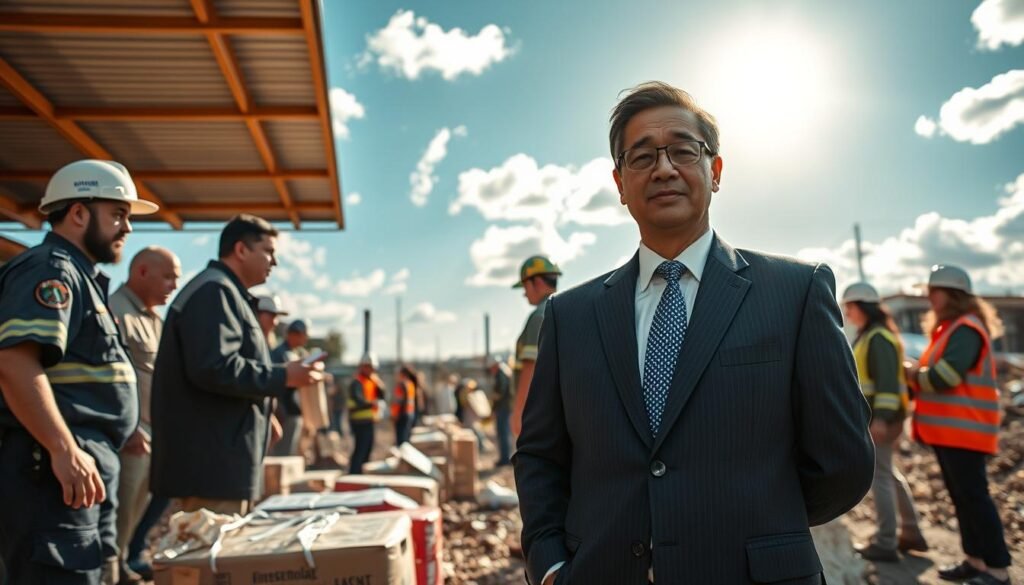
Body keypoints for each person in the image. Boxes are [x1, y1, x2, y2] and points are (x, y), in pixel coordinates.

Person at [514, 82, 874, 584]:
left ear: (715, 170)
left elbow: (843, 460)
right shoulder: (569, 316)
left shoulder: (795, 293)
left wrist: (763, 524)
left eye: (683, 151)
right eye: (642, 157)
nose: (663, 168)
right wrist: (551, 564)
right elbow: (539, 455)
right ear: (620, 184)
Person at [0, 159, 158, 584]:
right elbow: (14, 362)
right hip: (53, 477)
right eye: (119, 214)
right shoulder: (51, 268)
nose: (128, 228)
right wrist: (64, 448)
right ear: (78, 213)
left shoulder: (80, 275)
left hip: (82, 472)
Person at [150, 215, 321, 515]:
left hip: (219, 465)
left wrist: (262, 415)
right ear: (241, 250)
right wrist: (283, 376)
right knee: (209, 543)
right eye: (268, 251)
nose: (274, 261)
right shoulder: (215, 292)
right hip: (211, 469)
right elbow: (215, 368)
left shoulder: (226, 292)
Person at [908, 265, 1012, 585]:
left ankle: (998, 570)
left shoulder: (965, 329)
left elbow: (945, 377)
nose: (929, 298)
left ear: (952, 294)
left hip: (965, 431)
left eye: (933, 291)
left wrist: (912, 374)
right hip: (951, 432)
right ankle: (975, 561)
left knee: (974, 498)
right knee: (963, 498)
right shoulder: (951, 329)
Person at [108, 246, 180, 583]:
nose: (173, 286)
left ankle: (122, 563)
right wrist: (130, 426)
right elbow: (110, 376)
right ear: (141, 272)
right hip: (130, 435)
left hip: (153, 432)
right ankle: (111, 571)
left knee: (137, 511)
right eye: (167, 277)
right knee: (120, 513)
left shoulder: (154, 320)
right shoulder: (116, 310)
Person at [841, 282, 927, 563]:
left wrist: (880, 419)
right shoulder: (871, 336)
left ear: (861, 306)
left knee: (880, 477)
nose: (847, 313)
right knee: (888, 474)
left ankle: (886, 542)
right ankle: (911, 532)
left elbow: (888, 384)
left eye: (849, 307)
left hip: (882, 419)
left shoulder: (877, 338)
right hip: (882, 418)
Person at [511, 255, 560, 436]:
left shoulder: (539, 316)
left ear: (537, 282)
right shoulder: (563, 310)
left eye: (525, 287)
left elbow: (530, 368)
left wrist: (519, 413)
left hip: (537, 412)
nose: (524, 294)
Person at [270, 319, 310, 457]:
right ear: (294, 334)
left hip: (292, 409)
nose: (306, 339)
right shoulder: (279, 354)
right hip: (284, 410)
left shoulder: (296, 353)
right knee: (281, 454)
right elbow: (275, 383)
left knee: (290, 452)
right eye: (304, 335)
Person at [348, 352, 384, 474]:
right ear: (362, 366)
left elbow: (382, 395)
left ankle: (363, 474)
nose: (371, 370)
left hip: (369, 420)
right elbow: (358, 401)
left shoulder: (372, 381)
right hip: (358, 421)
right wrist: (372, 403)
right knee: (360, 449)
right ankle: (354, 474)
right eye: (369, 367)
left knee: (368, 449)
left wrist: (379, 384)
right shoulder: (357, 382)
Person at [488, 355, 514, 466]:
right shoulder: (504, 371)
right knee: (505, 432)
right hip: (505, 407)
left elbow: (500, 393)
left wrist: (494, 401)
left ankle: (505, 459)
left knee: (503, 433)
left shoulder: (501, 373)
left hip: (503, 407)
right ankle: (506, 457)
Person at [391, 366, 417, 445]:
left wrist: (396, 415)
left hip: (402, 414)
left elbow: (401, 401)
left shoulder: (403, 384)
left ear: (403, 374)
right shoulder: (410, 384)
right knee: (405, 438)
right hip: (409, 413)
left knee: (401, 440)